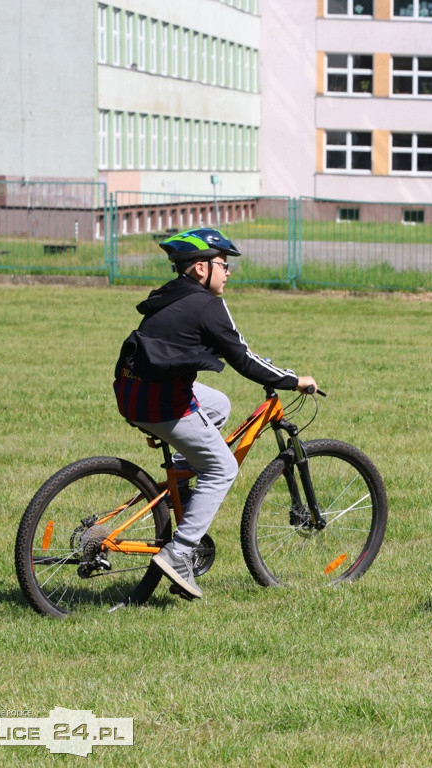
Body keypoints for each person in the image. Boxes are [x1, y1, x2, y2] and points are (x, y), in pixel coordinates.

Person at [113, 227, 318, 600]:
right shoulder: (208, 304)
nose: (228, 272)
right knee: (223, 467)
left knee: (219, 404)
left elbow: (192, 341)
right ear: (200, 268)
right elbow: (242, 357)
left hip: (132, 390)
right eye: (223, 264)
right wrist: (292, 379)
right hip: (161, 401)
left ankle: (182, 482)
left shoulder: (169, 296)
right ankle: (179, 554)